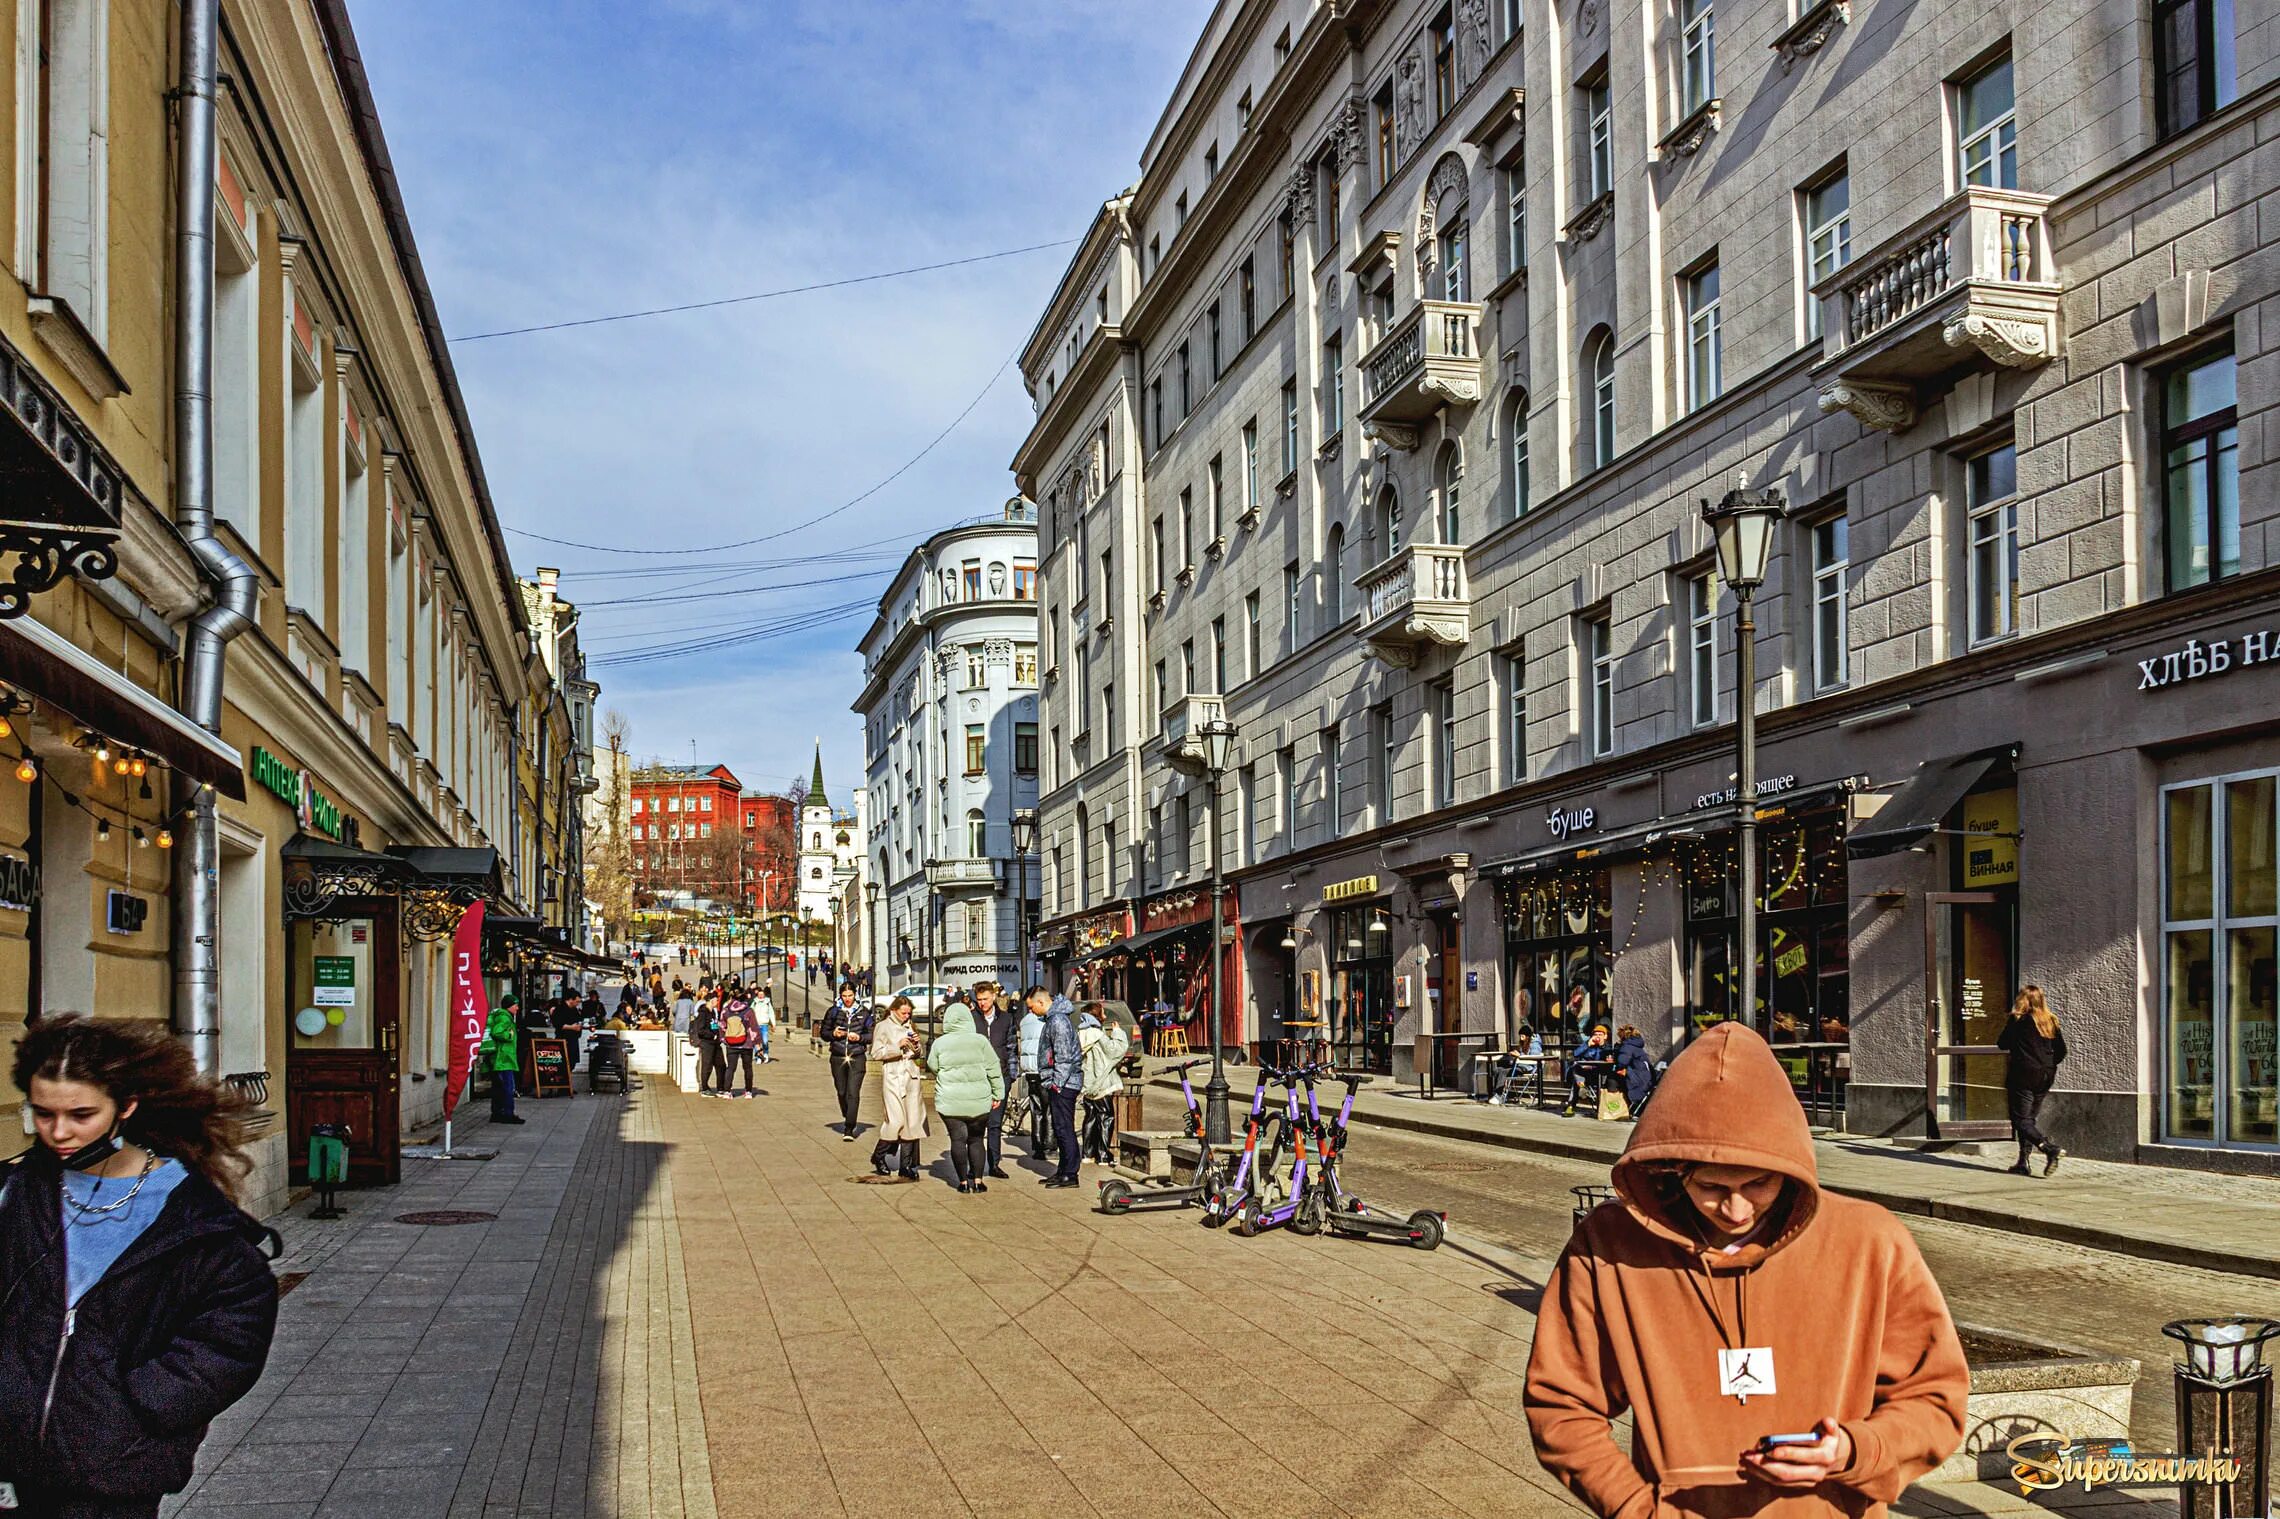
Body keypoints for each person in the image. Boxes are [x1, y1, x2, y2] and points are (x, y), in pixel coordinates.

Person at [1525, 1022, 1968, 1519]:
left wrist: (1854, 1451)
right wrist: (1634, 1508)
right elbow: (1562, 1403)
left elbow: (1934, 1398)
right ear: (1672, 1170)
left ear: (1790, 1168)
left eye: (1759, 1184)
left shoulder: (1868, 1240)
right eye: (1712, 1186)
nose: (1736, 1211)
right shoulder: (1611, 1244)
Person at [0, 1016, 281, 1517]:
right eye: (43, 1114)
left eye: (81, 1114)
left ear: (126, 1107)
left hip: (116, 1471)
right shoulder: (15, 1192)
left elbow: (231, 1329)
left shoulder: (191, 1215)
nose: (59, 1132)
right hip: (14, 1461)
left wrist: (135, 1408)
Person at [926, 1003, 1006, 1193]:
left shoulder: (940, 1043)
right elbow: (994, 1069)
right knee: (977, 1140)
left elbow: (932, 1066)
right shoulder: (980, 1041)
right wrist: (998, 1093)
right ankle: (978, 1181)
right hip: (979, 1100)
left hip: (950, 1101)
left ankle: (962, 1182)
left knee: (957, 1140)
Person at [1997, 985, 2067, 1176]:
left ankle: (2049, 1148)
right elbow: (2061, 1051)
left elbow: (2002, 1043)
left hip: (2023, 1075)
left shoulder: (2018, 1020)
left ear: (2023, 1000)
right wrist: (2045, 1064)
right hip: (2045, 1076)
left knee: (2020, 1120)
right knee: (2029, 1120)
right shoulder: (2050, 1020)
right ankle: (2023, 1162)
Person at [868, 997, 927, 1179]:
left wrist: (917, 1046)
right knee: (895, 1121)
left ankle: (906, 1166)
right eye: (904, 1013)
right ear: (894, 1010)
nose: (907, 1016)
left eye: (909, 1013)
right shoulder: (883, 1026)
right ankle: (878, 1156)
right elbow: (876, 1053)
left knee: (912, 1122)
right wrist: (897, 1045)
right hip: (893, 1077)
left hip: (911, 1077)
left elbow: (919, 1054)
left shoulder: (910, 1025)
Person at [969, 982, 1020, 1179]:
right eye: (979, 999)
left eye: (986, 999)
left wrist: (1012, 1073)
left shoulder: (1006, 1018)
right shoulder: (972, 1020)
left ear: (993, 997)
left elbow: (1011, 1047)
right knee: (975, 1123)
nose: (982, 1003)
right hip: (977, 1077)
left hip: (1000, 1075)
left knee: (995, 1123)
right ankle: (975, 1166)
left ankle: (994, 1163)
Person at [1036, 991, 1084, 1188]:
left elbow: (1063, 1055)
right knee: (1060, 1128)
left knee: (1064, 1129)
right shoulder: (1054, 1019)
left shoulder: (1058, 1021)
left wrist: (1057, 1083)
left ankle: (1070, 1173)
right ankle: (1063, 1170)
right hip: (1061, 1082)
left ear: (1041, 1001)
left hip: (1064, 1083)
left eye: (1032, 1007)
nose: (1031, 1012)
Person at [1078, 1003, 1132, 1164]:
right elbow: (1114, 1051)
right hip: (1101, 1082)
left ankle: (1087, 1153)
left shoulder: (1082, 1032)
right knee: (1106, 1117)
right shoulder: (1097, 1034)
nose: (1105, 1016)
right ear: (1096, 1015)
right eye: (1102, 1013)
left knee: (1090, 1117)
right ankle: (1103, 1154)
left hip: (1088, 1081)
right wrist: (1117, 1032)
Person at [819, 986, 874, 1140]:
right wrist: (833, 1034)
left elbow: (871, 1034)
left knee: (853, 1092)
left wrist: (860, 1038)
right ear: (840, 996)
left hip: (857, 1056)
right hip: (838, 1056)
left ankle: (849, 1127)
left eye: (850, 995)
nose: (847, 998)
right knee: (842, 1090)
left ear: (855, 995)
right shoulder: (833, 1011)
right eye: (844, 995)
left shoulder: (864, 1012)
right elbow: (823, 1032)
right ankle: (847, 1112)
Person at [1018, 986, 1050, 1150]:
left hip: (1029, 1070)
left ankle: (1036, 1144)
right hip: (1043, 1069)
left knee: (1036, 1109)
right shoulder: (1044, 1019)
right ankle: (1049, 1145)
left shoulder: (1024, 1021)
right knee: (1048, 1110)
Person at [1561, 1024, 1614, 1117]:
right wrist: (1587, 1045)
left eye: (1600, 1035)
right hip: (1587, 1075)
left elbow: (1605, 1063)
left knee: (1576, 1082)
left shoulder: (1608, 1048)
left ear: (1605, 1036)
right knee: (1576, 1068)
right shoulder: (1589, 1045)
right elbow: (1575, 1054)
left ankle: (1575, 1098)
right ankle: (1572, 1103)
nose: (1597, 1037)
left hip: (1600, 1075)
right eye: (1595, 1034)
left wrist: (1592, 1066)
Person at [717, 988, 759, 1098]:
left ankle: (727, 1091)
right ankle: (748, 1091)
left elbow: (721, 1026)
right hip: (747, 1043)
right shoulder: (749, 1011)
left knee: (730, 1068)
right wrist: (757, 1043)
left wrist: (723, 1039)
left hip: (731, 1042)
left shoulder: (726, 1010)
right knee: (748, 1068)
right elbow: (754, 1027)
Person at [1610, 1024, 1655, 1115]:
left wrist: (1615, 1057)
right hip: (1646, 1078)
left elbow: (1622, 1062)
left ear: (1623, 1035)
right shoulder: (1636, 1045)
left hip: (1637, 1078)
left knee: (1611, 1079)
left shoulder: (1627, 1046)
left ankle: (1613, 1107)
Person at [688, 991, 724, 1096]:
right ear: (711, 1001)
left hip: (716, 1043)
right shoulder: (703, 1013)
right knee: (707, 1065)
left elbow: (714, 1025)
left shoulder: (713, 1012)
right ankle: (705, 1088)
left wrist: (718, 1034)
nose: (717, 1002)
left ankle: (721, 1087)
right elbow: (700, 1030)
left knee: (721, 1064)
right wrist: (712, 1035)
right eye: (716, 1000)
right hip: (707, 1043)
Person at [752, 987, 776, 1063]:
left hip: (764, 1025)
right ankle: (759, 1056)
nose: (761, 995)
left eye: (762, 994)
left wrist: (773, 1024)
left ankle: (765, 1054)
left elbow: (771, 1013)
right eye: (760, 994)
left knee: (765, 1041)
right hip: (756, 1025)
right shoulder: (755, 1002)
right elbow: (750, 1012)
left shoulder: (767, 1002)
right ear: (757, 995)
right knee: (757, 1043)